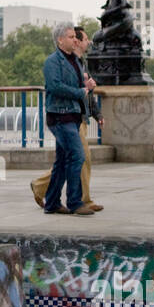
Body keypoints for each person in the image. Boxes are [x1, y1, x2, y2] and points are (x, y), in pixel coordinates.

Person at [42, 24, 94, 215]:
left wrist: (88, 86)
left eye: (75, 37)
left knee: (63, 161)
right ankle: (75, 202)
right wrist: (80, 91)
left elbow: (81, 87)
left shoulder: (75, 61)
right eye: (71, 37)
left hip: (73, 116)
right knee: (77, 156)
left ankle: (52, 203)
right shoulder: (52, 62)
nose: (75, 40)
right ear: (60, 40)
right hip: (60, 116)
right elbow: (55, 86)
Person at [75, 27, 104, 213]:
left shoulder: (81, 63)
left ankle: (39, 186)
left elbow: (87, 94)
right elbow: (65, 89)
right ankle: (84, 200)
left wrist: (98, 114)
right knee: (83, 158)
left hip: (81, 116)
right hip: (72, 117)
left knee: (67, 161)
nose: (89, 43)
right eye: (86, 39)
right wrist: (85, 86)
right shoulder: (68, 63)